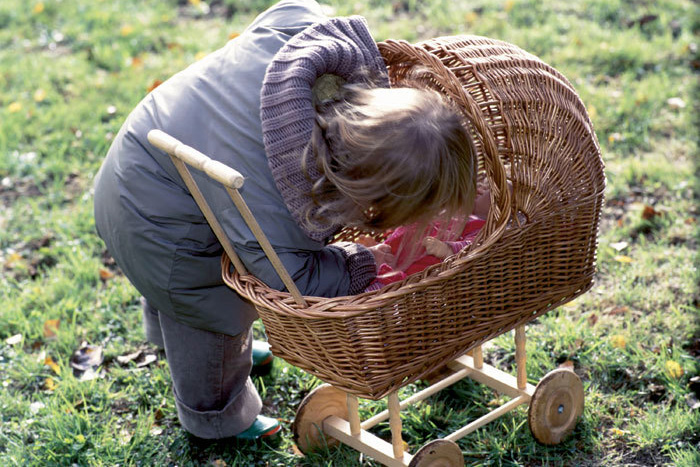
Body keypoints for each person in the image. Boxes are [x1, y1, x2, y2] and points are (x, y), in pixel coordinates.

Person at [93, 0, 477, 441]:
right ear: (365, 192)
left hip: (143, 152)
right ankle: (216, 417)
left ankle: (168, 336)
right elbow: (289, 276)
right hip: (157, 227)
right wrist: (363, 262)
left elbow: (291, 10)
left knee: (169, 280)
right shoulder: (272, 198)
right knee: (209, 305)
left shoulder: (313, 53)